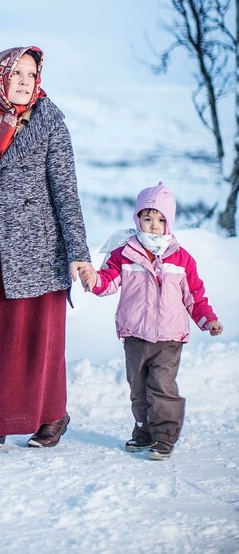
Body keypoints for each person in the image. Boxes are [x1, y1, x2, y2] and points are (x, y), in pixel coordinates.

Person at [0, 45, 94, 451]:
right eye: (17, 74)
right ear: (0, 75)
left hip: (39, 252)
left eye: (31, 75)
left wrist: (78, 253)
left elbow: (66, 192)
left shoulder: (50, 123)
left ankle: (53, 416)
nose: (24, 81)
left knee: (38, 342)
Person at [79, 182, 223, 460]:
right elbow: (108, 282)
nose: (153, 225)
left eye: (160, 219)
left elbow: (195, 296)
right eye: (147, 218)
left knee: (162, 386)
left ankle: (164, 437)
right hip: (135, 334)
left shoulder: (182, 259)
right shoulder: (124, 253)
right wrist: (93, 279)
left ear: (168, 223)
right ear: (137, 219)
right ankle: (143, 430)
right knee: (138, 388)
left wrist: (208, 320)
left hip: (169, 337)